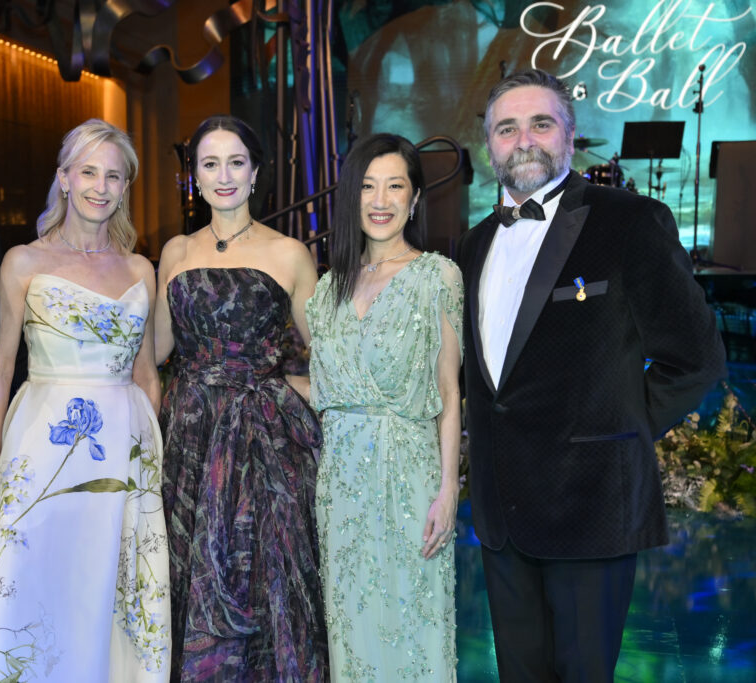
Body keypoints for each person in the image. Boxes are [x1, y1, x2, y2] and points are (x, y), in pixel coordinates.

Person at [457, 69, 726, 681]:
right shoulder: (471, 245)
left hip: (592, 505)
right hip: (502, 515)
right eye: (507, 128)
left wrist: (615, 429)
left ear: (570, 136)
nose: (524, 140)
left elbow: (697, 358)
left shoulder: (629, 221)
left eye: (540, 123)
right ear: (489, 146)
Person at [0, 119, 171, 680]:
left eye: (114, 176)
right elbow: (1, 372)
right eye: (88, 171)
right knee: (42, 586)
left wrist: (147, 466)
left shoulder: (140, 269)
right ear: (63, 178)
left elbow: (148, 375)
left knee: (108, 593)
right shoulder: (23, 262)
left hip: (123, 462)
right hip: (42, 453)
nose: (100, 186)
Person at [154, 114, 328, 681]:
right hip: (190, 438)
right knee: (190, 576)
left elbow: (328, 356)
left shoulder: (290, 254)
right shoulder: (174, 252)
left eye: (236, 162)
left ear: (256, 174)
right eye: (210, 163)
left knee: (260, 580)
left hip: (262, 445)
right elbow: (153, 348)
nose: (223, 175)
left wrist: (286, 386)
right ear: (195, 178)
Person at [305, 133, 462, 681]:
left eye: (395, 186)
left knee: (414, 626)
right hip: (341, 484)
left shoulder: (436, 276)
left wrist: (449, 488)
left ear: (415, 199)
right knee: (352, 629)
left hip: (410, 479)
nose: (381, 199)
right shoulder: (326, 289)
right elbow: (322, 390)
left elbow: (448, 393)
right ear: (351, 198)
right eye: (368, 186)